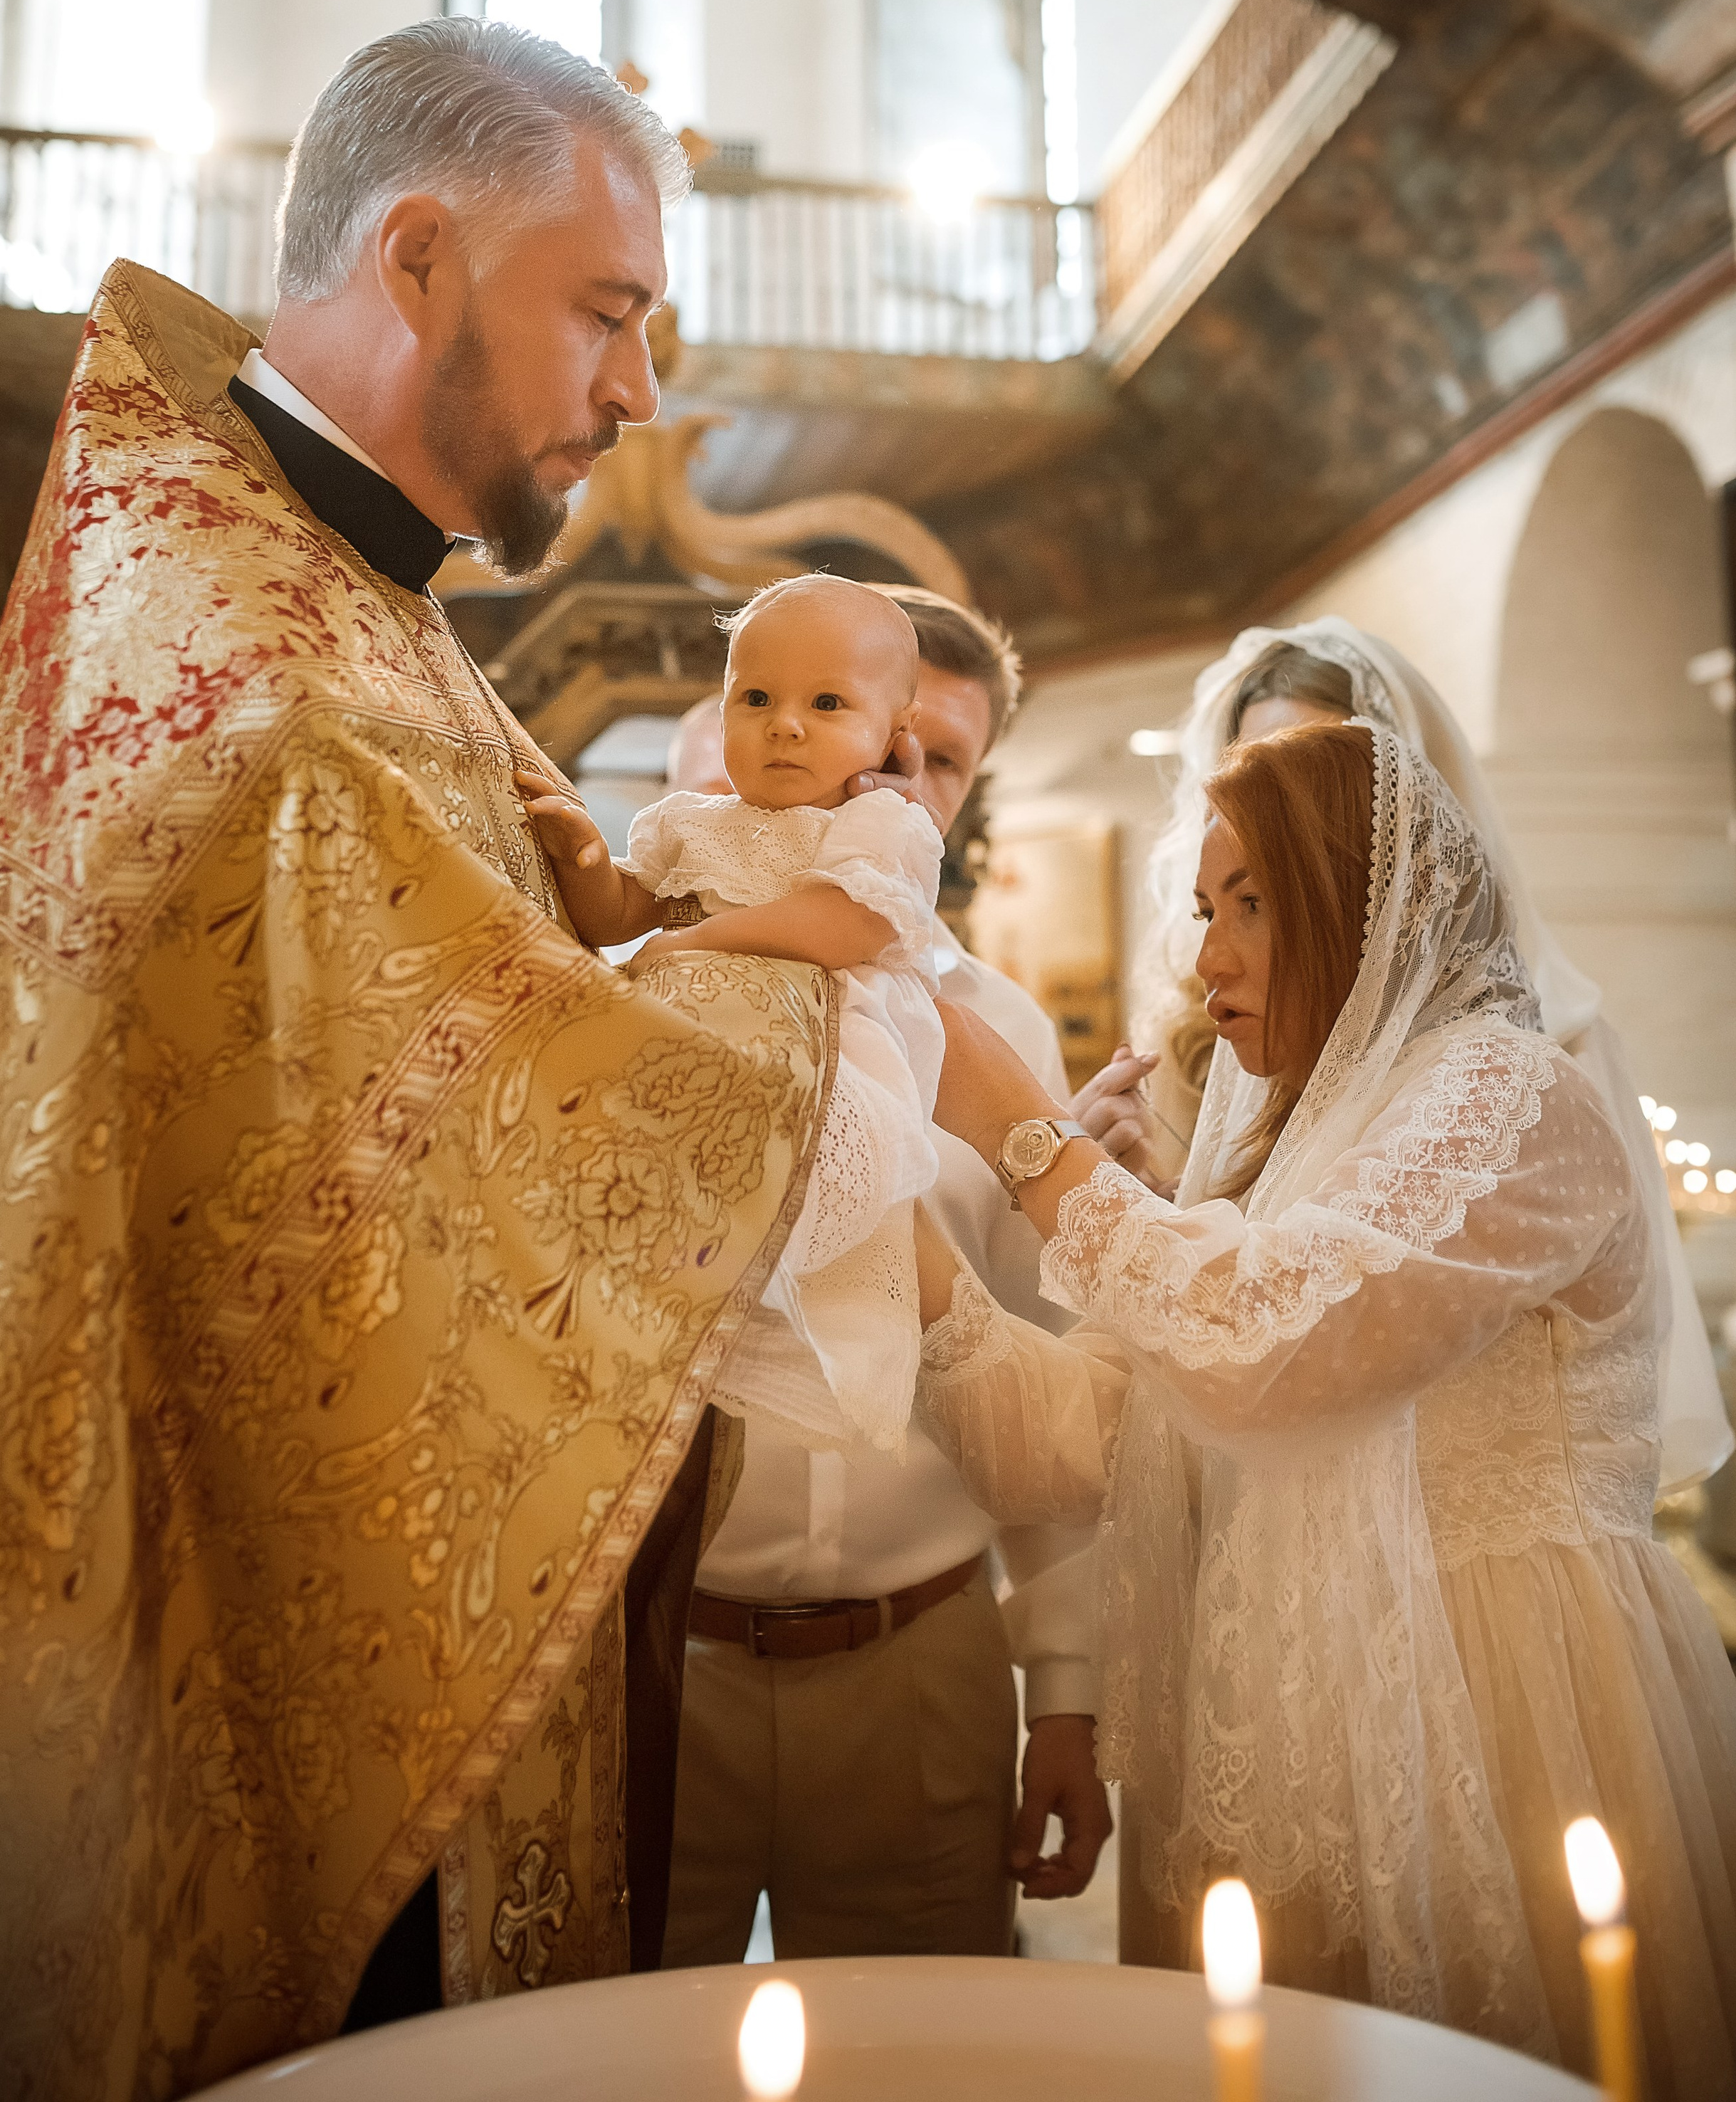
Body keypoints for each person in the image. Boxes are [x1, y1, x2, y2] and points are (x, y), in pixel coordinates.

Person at [0, 21, 838, 2101]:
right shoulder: (282, 680)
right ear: (419, 257)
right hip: (226, 1664)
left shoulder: (297, 568)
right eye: (602, 313)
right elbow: (499, 1146)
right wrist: (810, 953)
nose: (639, 394)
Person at [914, 720, 1736, 2098]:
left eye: (1253, 904)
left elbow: (1265, 1346)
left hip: (1494, 1686)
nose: (1206, 958)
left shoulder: (1507, 1092)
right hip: (1283, 1678)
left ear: (1367, 907)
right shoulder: (1292, 1139)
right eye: (1202, 908)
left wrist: (1029, 1139)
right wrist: (888, 1201)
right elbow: (1077, 1441)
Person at [658, 588, 1112, 1967]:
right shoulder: (639, 984)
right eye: (869, 732)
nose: (886, 774)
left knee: (918, 2047)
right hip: (656, 1658)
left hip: (919, 1654)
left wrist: (1071, 1696)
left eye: (937, 757)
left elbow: (1046, 1371)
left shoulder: (1001, 1030)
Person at [1119, 618, 1728, 1494]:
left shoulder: (1533, 1060)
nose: (1280, 801)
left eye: (1320, 758)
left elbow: (1297, 1335)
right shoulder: (1219, 1035)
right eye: (1254, 764)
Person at [522, 574, 945, 1452]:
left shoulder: (883, 825)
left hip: (822, 1064)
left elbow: (843, 924)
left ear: (894, 735)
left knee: (800, 1264)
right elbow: (616, 917)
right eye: (754, 697)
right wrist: (587, 860)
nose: (783, 723)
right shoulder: (693, 823)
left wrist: (695, 941)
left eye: (827, 702)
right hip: (686, 1070)